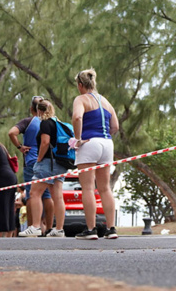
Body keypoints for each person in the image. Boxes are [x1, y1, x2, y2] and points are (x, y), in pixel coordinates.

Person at [71, 69, 119, 240]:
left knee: (88, 188)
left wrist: (78, 139)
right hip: (107, 144)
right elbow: (115, 126)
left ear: (80, 85)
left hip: (89, 142)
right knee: (105, 188)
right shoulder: (105, 100)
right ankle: (111, 228)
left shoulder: (81, 99)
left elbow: (77, 118)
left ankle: (91, 229)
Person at [18, 99, 67, 237]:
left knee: (34, 193)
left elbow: (45, 142)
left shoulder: (45, 123)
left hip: (47, 162)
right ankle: (59, 229)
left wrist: (39, 159)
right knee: (57, 196)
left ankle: (35, 226)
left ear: (39, 110)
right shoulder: (58, 123)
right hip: (60, 162)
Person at [8, 95, 55, 233]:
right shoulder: (51, 122)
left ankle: (32, 227)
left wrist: (20, 147)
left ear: (31, 109)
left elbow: (11, 133)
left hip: (32, 161)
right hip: (49, 162)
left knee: (31, 195)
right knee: (47, 195)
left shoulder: (28, 122)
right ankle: (49, 228)